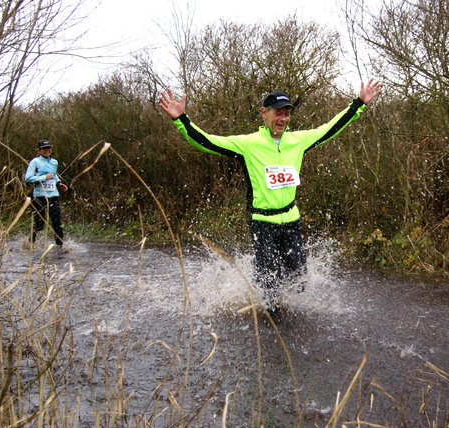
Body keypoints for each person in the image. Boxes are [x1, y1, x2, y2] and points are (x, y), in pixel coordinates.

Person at [158, 79, 381, 312]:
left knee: (299, 280)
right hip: (262, 223)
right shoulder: (248, 144)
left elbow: (331, 127)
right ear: (264, 113)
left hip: (291, 221)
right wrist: (180, 119)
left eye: (287, 114)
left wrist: (358, 104)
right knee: (270, 288)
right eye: (278, 113)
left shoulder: (298, 141)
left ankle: (272, 291)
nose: (283, 119)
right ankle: (266, 313)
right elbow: (207, 142)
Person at [25, 140, 68, 252]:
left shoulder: (54, 162)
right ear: (39, 150)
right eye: (44, 148)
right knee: (40, 224)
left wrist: (59, 183)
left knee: (57, 222)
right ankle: (30, 243)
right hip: (39, 197)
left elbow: (53, 176)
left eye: (48, 148)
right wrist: (44, 178)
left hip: (53, 195)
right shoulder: (35, 162)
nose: (47, 150)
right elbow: (28, 178)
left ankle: (60, 247)